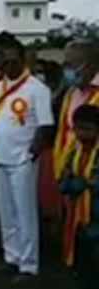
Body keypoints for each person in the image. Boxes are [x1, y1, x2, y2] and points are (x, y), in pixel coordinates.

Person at [0, 34, 53, 283]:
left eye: (13, 61)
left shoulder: (37, 89)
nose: (8, 66)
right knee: (6, 213)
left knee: (25, 213)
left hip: (22, 158)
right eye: (4, 61)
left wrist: (31, 154)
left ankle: (28, 264)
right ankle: (11, 256)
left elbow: (45, 127)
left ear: (23, 61)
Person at [60, 104, 99, 289]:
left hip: (96, 215)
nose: (82, 134)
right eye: (78, 129)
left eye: (87, 129)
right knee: (81, 261)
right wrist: (83, 183)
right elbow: (64, 183)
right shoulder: (74, 151)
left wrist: (81, 183)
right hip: (78, 216)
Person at [54, 41, 99, 190]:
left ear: (89, 65)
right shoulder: (70, 93)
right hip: (70, 172)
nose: (66, 70)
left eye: (69, 65)